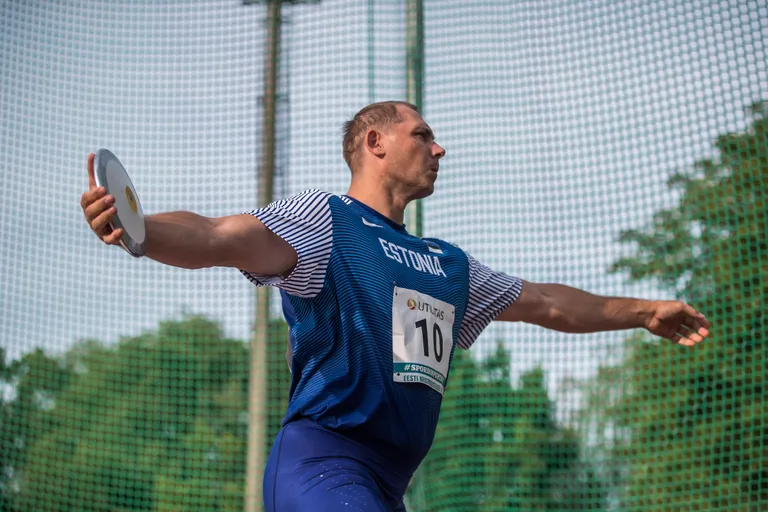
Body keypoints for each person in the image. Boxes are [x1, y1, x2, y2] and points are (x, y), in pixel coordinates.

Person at [80, 101, 710, 511]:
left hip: (389, 486)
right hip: (323, 464)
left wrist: (642, 311)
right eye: (423, 135)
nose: (439, 149)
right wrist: (140, 229)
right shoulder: (325, 220)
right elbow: (221, 236)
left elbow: (547, 303)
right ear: (375, 142)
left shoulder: (449, 266)